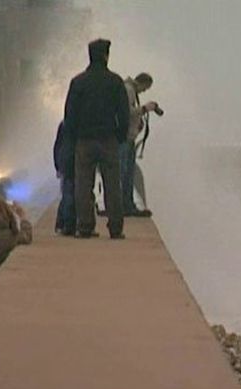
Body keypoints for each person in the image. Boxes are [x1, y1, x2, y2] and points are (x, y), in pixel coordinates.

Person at [63, 38, 129, 239]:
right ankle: (115, 228)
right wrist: (120, 136)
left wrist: (73, 139)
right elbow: (124, 114)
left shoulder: (78, 82)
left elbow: (70, 115)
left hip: (84, 141)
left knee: (83, 184)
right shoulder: (115, 82)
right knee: (112, 185)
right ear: (106, 56)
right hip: (108, 140)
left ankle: (85, 226)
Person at [121, 73, 158, 217]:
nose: (144, 91)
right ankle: (125, 205)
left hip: (129, 138)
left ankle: (128, 204)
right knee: (124, 173)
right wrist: (144, 109)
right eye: (146, 88)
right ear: (142, 83)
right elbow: (127, 111)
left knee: (128, 173)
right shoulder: (129, 90)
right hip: (125, 138)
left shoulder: (130, 90)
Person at [53, 121, 76, 235]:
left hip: (64, 161)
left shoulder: (63, 125)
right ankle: (67, 224)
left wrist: (57, 165)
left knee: (67, 193)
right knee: (70, 194)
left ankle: (61, 223)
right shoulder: (78, 125)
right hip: (72, 160)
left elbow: (57, 146)